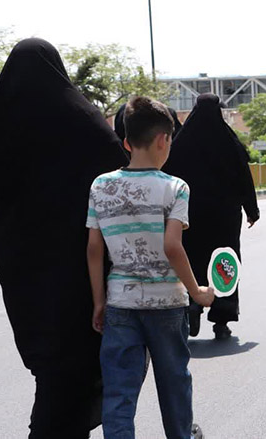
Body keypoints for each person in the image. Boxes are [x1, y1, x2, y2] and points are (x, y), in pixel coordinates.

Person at [0, 38, 128, 438]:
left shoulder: (0, 121)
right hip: (76, 256)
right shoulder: (83, 120)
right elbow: (118, 173)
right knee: (75, 353)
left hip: (20, 256)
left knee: (48, 356)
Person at [86, 96, 214, 438]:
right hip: (166, 306)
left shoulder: (100, 186)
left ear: (127, 142)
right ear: (164, 139)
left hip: (120, 304)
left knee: (119, 392)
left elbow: (95, 249)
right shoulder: (175, 188)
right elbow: (173, 247)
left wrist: (99, 301)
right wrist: (197, 291)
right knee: (174, 383)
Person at [162, 93, 260, 340]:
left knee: (193, 259)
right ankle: (222, 319)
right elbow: (244, 177)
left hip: (189, 214)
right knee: (224, 262)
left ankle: (192, 304)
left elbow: (168, 174)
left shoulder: (182, 141)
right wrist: (252, 209)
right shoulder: (229, 141)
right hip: (224, 216)